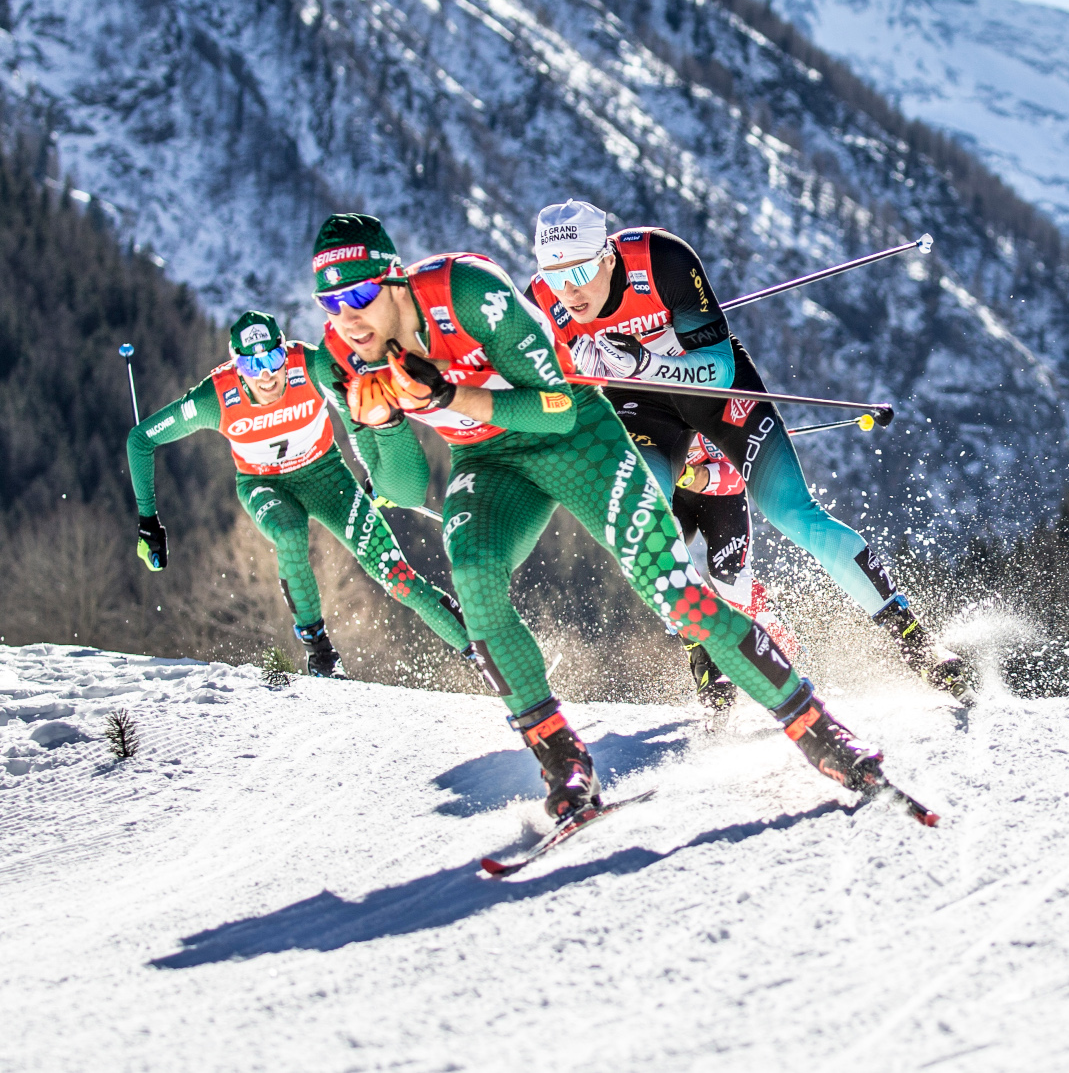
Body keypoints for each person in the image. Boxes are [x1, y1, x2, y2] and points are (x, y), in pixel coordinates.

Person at [309, 213, 897, 823]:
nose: (349, 319)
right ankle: (564, 761)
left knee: (675, 593)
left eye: (360, 295)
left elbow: (560, 408)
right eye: (331, 303)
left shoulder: (468, 294)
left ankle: (819, 730)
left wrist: (450, 397)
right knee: (475, 574)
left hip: (578, 442)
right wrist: (381, 422)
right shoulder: (341, 360)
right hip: (488, 461)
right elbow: (401, 485)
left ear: (396, 281)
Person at [524, 199, 970, 700]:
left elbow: (716, 367)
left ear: (607, 258)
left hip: (715, 390)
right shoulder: (541, 303)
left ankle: (914, 640)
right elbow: (531, 397)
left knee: (794, 513)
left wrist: (642, 362)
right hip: (641, 409)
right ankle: (704, 646)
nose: (570, 289)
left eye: (581, 270)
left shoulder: (662, 260)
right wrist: (567, 374)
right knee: (643, 518)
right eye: (555, 275)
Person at [126, 310, 470, 677]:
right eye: (252, 364)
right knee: (289, 533)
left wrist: (380, 475)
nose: (266, 374)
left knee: (397, 576)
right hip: (264, 485)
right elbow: (141, 439)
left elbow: (363, 404)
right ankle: (320, 653)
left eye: (274, 358)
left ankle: (481, 648)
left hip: (326, 477)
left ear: (285, 352)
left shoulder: (308, 364)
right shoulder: (215, 397)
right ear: (236, 364)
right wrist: (149, 522)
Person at [658, 433, 799, 714]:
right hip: (668, 492)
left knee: (729, 579)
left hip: (718, 487)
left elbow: (736, 475)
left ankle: (785, 658)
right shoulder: (637, 401)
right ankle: (711, 679)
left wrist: (691, 476)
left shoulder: (701, 400)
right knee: (671, 573)